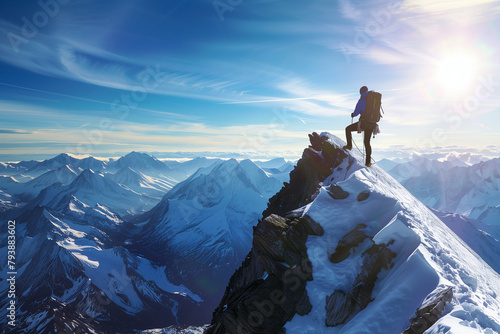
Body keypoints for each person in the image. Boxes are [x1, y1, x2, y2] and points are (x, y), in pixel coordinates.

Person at [343, 86, 375, 167]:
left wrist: (353, 114)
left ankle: (349, 145)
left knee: (348, 129)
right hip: (372, 124)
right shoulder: (373, 99)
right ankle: (368, 162)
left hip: (364, 123)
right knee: (367, 142)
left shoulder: (362, 99)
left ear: (361, 92)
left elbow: (356, 112)